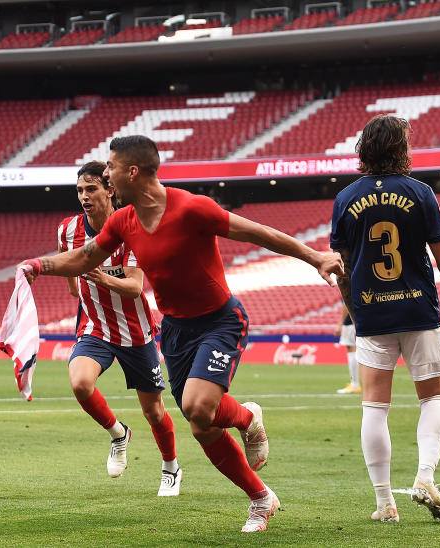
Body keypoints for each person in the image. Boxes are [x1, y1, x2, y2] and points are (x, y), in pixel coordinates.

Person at [20, 135, 342, 532]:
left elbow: (258, 233)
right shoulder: (124, 221)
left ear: (132, 172)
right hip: (174, 331)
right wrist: (39, 265)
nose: (106, 174)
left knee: (197, 407)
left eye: (111, 167)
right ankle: (260, 493)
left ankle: (247, 421)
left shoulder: (191, 208)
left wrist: (316, 257)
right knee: (199, 422)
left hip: (220, 321)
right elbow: (86, 257)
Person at [332, 114, 440, 524]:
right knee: (432, 398)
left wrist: (355, 309)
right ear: (401, 149)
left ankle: (384, 504)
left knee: (374, 407)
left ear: (364, 149)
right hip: (418, 310)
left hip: (371, 312)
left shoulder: (345, 198)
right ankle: (424, 477)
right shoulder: (419, 193)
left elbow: (341, 267)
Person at [57, 161, 181, 496]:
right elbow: (69, 270)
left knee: (154, 412)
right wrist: (81, 293)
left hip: (136, 332)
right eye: (80, 189)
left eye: (91, 188)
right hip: (96, 328)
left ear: (110, 190)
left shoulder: (131, 228)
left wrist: (98, 277)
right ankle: (118, 433)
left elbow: (135, 286)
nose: (84, 195)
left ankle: (171, 466)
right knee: (80, 383)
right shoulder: (67, 231)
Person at [335, 307, 360, 394]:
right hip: (357, 320)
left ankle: (355, 384)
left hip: (350, 322)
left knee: (352, 349)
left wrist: (340, 323)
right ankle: (355, 384)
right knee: (354, 349)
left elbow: (347, 303)